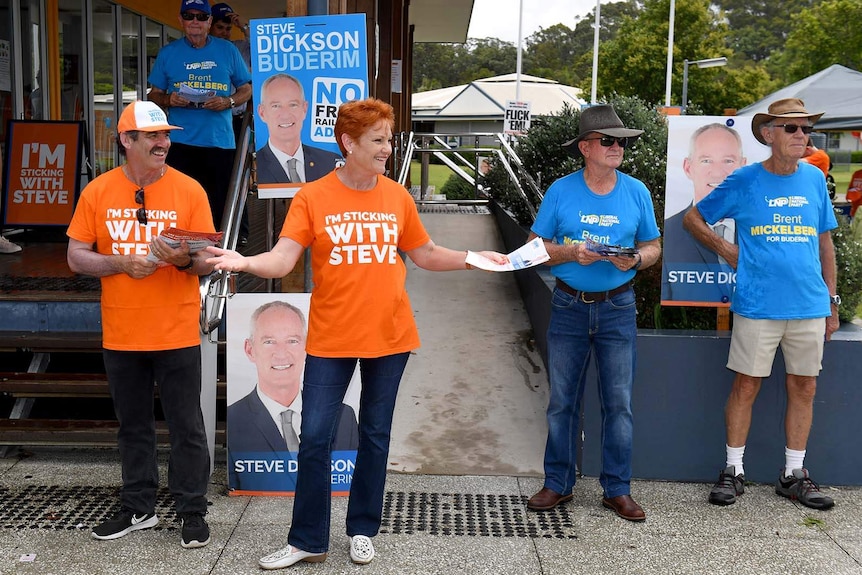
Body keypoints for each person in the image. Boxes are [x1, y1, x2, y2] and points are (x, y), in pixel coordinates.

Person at [206, 98, 507, 569]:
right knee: (316, 437)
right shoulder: (313, 196)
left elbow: (424, 253)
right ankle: (308, 539)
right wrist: (243, 261)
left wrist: (475, 257)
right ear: (348, 142)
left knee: (375, 435)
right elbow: (284, 258)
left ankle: (363, 528)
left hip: (390, 336)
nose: (388, 148)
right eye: (378, 140)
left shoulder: (397, 197)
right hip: (330, 339)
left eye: (389, 139)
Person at [66, 100, 216, 547]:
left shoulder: (190, 189)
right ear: (126, 140)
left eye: (165, 135)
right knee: (132, 426)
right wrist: (119, 264)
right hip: (122, 331)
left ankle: (192, 510)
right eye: (152, 136)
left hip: (177, 329)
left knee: (187, 425)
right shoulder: (98, 190)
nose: (163, 143)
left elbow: (208, 261)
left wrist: (185, 259)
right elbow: (75, 256)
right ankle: (138, 508)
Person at [682, 98, 839, 510]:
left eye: (806, 129)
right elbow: (693, 219)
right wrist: (728, 251)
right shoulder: (745, 179)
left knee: (804, 386)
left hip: (809, 305)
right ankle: (733, 470)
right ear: (769, 135)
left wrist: (832, 300)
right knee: (746, 384)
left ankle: (793, 474)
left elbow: (825, 244)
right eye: (792, 129)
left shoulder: (813, 180)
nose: (802, 136)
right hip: (757, 304)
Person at [525, 105, 661, 522]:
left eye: (621, 141)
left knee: (618, 403)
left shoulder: (636, 191)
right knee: (562, 401)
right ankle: (558, 484)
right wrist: (570, 253)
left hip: (618, 307)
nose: (617, 147)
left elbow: (654, 247)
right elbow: (534, 247)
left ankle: (617, 489)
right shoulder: (561, 191)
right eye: (608, 140)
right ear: (586, 148)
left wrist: (636, 259)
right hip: (568, 305)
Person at [228, 300, 359, 491]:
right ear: (250, 350)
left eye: (292, 341)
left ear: (308, 346)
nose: (281, 354)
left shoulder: (343, 417)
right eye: (269, 342)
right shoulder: (234, 419)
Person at [147, 0, 252, 230]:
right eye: (189, 15)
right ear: (180, 20)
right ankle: (181, 254)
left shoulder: (227, 50)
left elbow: (247, 88)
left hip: (219, 142)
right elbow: (154, 94)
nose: (195, 21)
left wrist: (228, 101)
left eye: (201, 17)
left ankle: (216, 258)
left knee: (218, 204)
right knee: (179, 204)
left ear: (209, 21)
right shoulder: (168, 53)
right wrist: (168, 99)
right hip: (179, 142)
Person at [661, 123, 746, 301]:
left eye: (728, 161)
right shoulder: (669, 231)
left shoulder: (761, 230)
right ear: (688, 168)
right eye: (706, 160)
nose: (717, 173)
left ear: (743, 166)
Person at [255, 73, 343, 185]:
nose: (285, 115)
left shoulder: (330, 162)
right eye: (276, 106)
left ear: (305, 109)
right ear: (262, 113)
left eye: (293, 105)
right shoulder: (254, 167)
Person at [209, 2, 251, 144]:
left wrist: (244, 26)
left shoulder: (238, 47)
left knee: (236, 165)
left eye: (228, 28)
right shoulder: (201, 51)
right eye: (219, 27)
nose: (224, 33)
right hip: (210, 120)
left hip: (238, 120)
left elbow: (261, 47)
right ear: (209, 26)